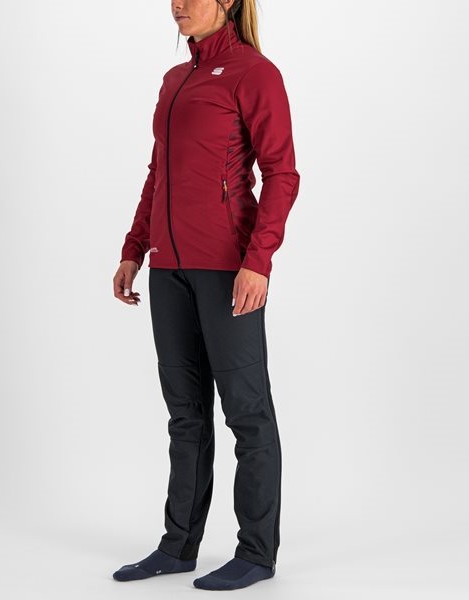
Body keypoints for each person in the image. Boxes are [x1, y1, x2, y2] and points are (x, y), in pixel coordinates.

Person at [111, 0, 300, 591]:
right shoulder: (176, 79)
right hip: (169, 269)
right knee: (185, 415)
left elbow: (282, 173)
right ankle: (178, 546)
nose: (178, 4)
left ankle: (257, 553)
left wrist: (258, 261)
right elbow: (158, 173)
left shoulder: (254, 73)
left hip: (226, 268)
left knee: (247, 412)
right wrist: (135, 248)